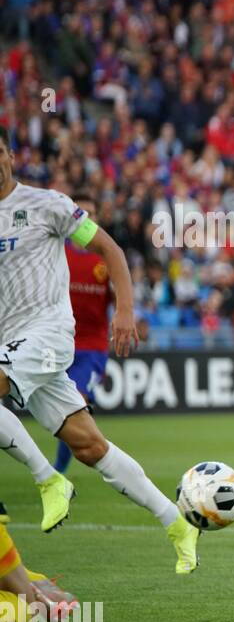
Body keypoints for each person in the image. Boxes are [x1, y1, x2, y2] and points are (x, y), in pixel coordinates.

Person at [0, 135, 200, 572]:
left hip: (49, 334)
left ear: (11, 156)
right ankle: (177, 523)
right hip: (12, 344)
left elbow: (109, 248)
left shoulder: (48, 203)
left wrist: (125, 310)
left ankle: (48, 478)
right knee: (90, 446)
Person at [53, 193, 111, 474]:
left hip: (91, 349)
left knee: (75, 404)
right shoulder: (56, 251)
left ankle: (58, 474)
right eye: (81, 212)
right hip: (54, 343)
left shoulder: (106, 258)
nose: (86, 218)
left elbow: (120, 298)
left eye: (91, 213)